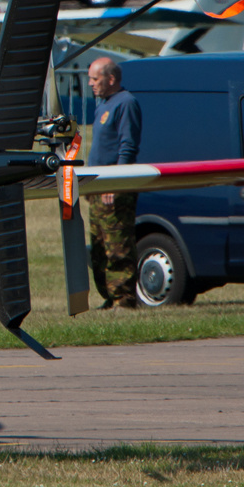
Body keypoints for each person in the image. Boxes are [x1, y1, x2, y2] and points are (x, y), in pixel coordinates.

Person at [86, 56, 142, 308]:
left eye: (95, 79)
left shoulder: (126, 103)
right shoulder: (104, 104)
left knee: (118, 246)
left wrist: (114, 183)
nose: (90, 84)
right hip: (98, 188)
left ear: (111, 79)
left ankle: (124, 299)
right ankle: (109, 296)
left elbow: (127, 146)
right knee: (98, 248)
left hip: (113, 188)